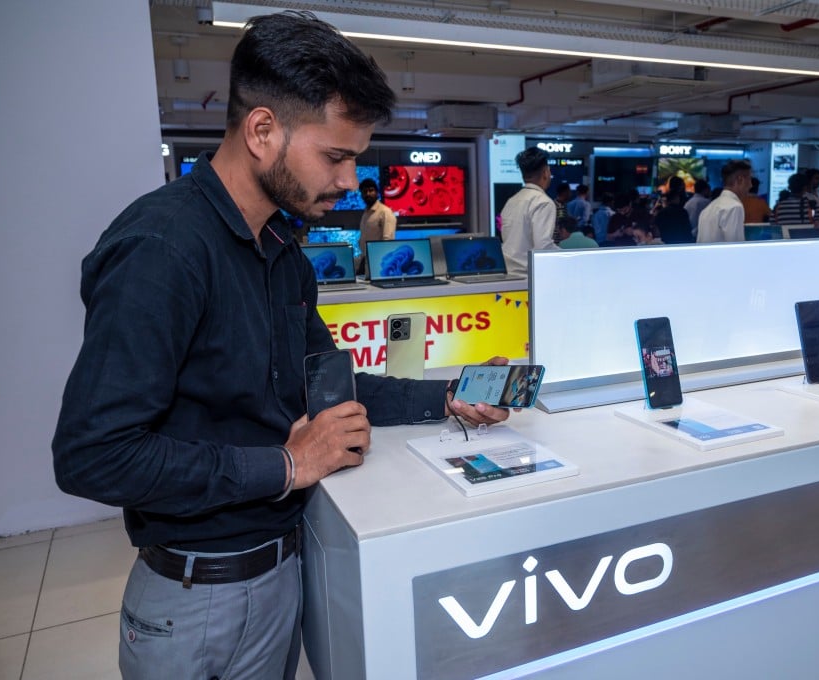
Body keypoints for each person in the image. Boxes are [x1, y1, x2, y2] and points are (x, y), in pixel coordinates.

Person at [51, 12, 510, 680]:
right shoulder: (162, 250)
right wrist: (285, 467)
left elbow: (327, 384)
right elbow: (93, 456)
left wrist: (449, 393)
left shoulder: (283, 255)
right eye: (336, 156)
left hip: (283, 573)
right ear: (262, 131)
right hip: (194, 602)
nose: (352, 180)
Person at [500, 147, 560, 275]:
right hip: (528, 276)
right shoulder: (543, 202)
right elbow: (542, 246)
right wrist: (567, 256)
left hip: (507, 273)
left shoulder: (512, 201)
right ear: (545, 172)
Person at [696, 160, 752, 243]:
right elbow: (736, 247)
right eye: (749, 179)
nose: (751, 185)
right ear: (740, 180)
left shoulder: (708, 208)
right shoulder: (734, 207)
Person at [356, 177, 396, 273]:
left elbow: (388, 241)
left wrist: (383, 263)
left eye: (371, 190)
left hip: (379, 261)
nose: (368, 194)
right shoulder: (366, 213)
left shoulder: (385, 212)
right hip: (366, 258)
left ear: (377, 193)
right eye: (365, 191)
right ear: (361, 195)